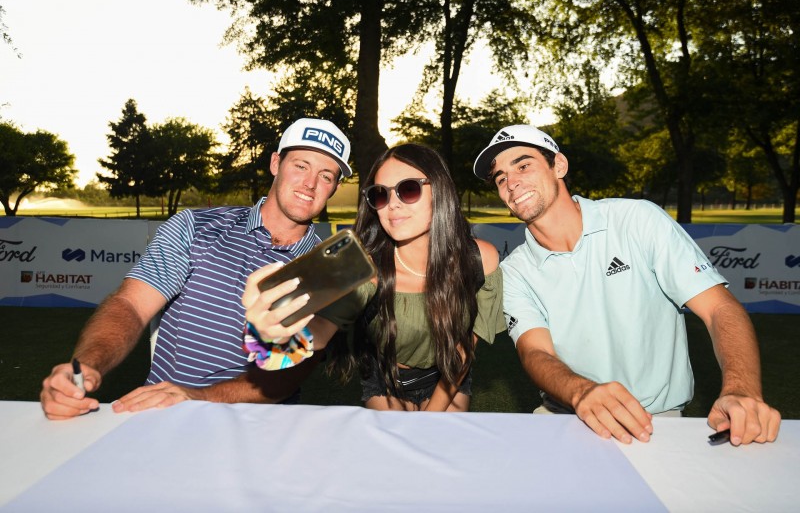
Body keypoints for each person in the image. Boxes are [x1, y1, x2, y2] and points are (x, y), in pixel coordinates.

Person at [473, 123, 781, 445]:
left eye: (523, 166)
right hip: (564, 415)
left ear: (559, 166)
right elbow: (535, 352)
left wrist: (741, 390)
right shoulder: (515, 271)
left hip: (656, 421)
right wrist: (582, 392)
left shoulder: (638, 220)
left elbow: (718, 308)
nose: (512, 183)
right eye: (501, 178)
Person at [40, 118, 352, 420]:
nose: (310, 183)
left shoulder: (327, 270)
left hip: (261, 427)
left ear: (335, 187)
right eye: (301, 166)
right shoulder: (195, 227)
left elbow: (289, 373)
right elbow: (131, 304)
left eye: (326, 176)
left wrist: (198, 397)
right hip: (165, 415)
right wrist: (86, 366)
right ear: (275, 164)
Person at [242, 143, 505, 411]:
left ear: (439, 190)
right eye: (380, 195)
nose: (393, 205)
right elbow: (318, 332)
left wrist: (431, 417)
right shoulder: (366, 271)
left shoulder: (479, 260)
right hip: (386, 379)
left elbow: (463, 350)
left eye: (408, 189)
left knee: (441, 435)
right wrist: (268, 338)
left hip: (448, 373)